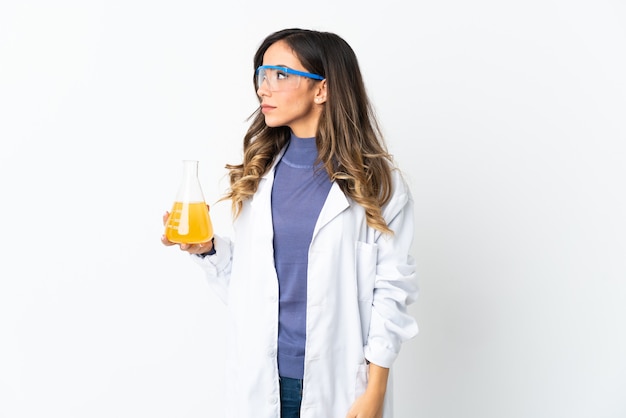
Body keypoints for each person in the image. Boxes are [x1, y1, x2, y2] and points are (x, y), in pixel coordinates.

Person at [162, 28, 418, 418]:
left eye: (280, 74)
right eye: (262, 74)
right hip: (262, 380)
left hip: (340, 384)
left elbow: (392, 293)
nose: (264, 88)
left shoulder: (377, 183)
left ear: (322, 90)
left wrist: (374, 391)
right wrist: (208, 249)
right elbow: (252, 290)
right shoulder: (258, 173)